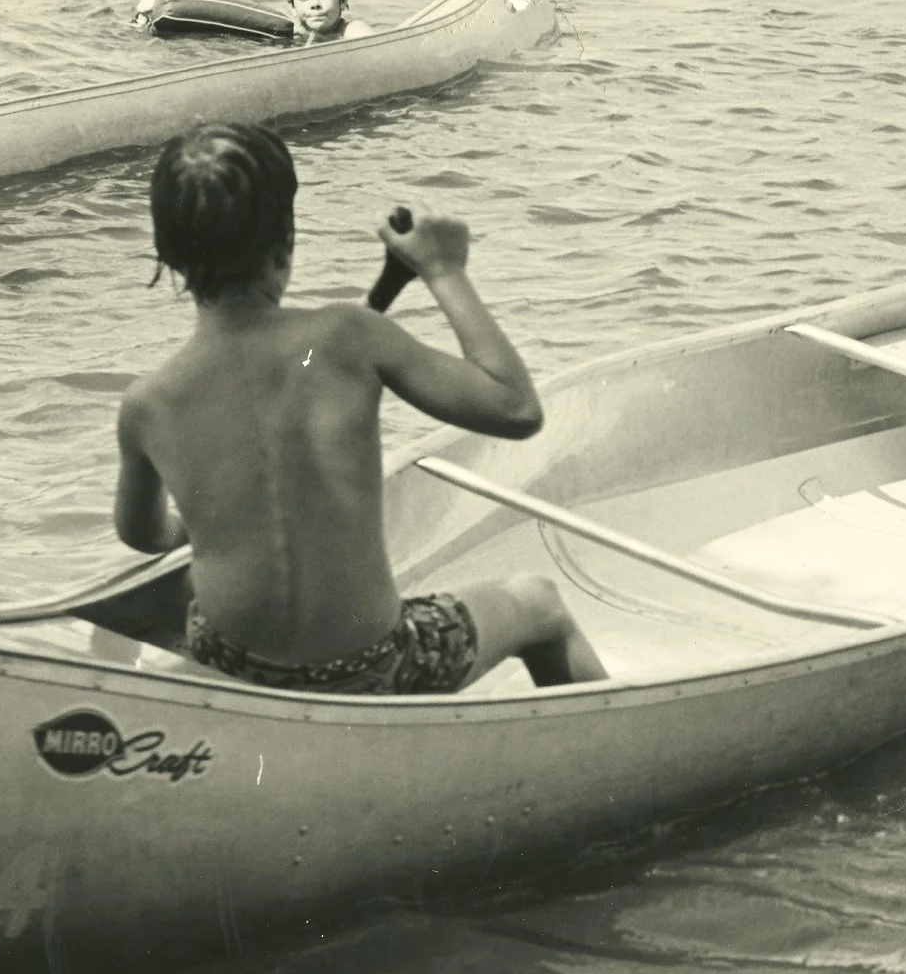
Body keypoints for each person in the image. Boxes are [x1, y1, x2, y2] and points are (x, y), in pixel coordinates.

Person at [114, 122, 607, 694]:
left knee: (190, 598)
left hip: (231, 663)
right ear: (287, 242)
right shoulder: (348, 337)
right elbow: (515, 407)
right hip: (370, 664)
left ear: (169, 255)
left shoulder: (148, 402)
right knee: (539, 602)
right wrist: (444, 271)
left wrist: (211, 517)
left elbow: (144, 535)